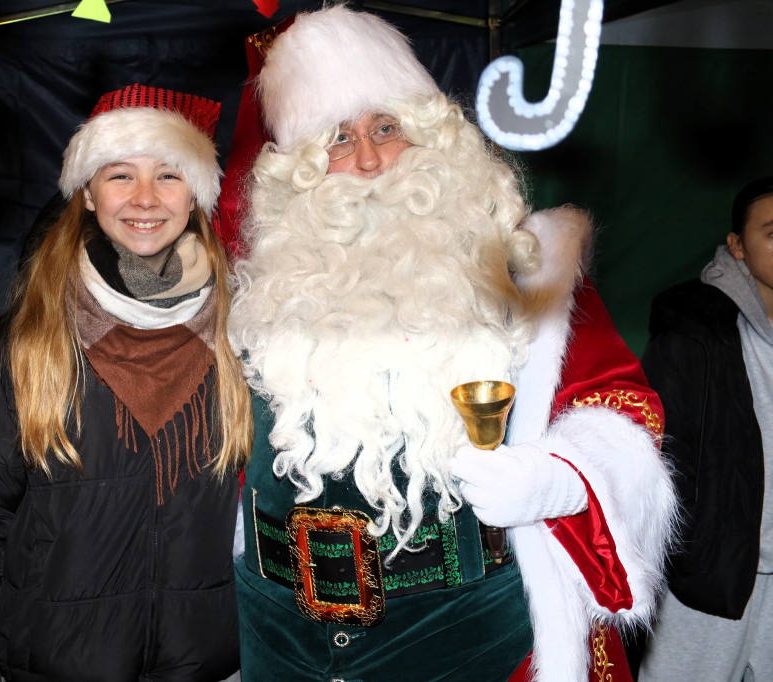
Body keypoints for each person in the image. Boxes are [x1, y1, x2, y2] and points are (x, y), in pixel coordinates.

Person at [221, 7, 677, 682]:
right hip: (279, 632)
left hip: (466, 633)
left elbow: (624, 408)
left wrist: (555, 479)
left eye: (387, 127)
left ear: (432, 133)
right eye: (338, 141)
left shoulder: (525, 266)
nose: (371, 159)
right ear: (306, 170)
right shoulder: (261, 287)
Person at [0, 83, 252, 681]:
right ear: (89, 195)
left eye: (170, 176)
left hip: (211, 667)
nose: (145, 198)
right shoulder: (30, 346)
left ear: (197, 196)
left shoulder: (242, 339)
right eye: (120, 175)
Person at [637, 177, 773, 682]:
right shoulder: (693, 332)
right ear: (737, 246)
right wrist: (692, 559)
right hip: (712, 583)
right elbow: (658, 462)